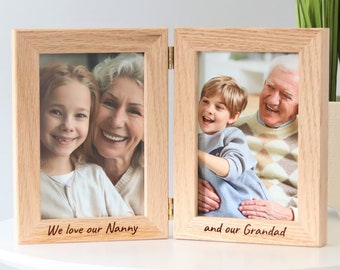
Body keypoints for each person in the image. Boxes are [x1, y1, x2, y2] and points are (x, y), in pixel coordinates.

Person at [198, 54, 299, 221]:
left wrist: (289, 214)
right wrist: (193, 187)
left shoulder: (311, 142)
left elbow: (322, 206)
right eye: (270, 87)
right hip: (222, 228)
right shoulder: (226, 129)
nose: (273, 100)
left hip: (280, 234)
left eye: (286, 96)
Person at [40, 63, 134, 219]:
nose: (68, 126)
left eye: (80, 115)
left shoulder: (95, 176)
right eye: (56, 112)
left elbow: (130, 226)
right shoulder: (26, 182)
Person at [198, 76, 269, 217]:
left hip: (247, 215)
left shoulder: (231, 135)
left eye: (219, 107)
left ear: (233, 117)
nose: (209, 109)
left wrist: (194, 153)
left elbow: (232, 169)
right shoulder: (195, 141)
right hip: (214, 220)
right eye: (205, 101)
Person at [85, 53, 144, 215]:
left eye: (134, 111)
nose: (116, 121)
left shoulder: (159, 181)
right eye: (109, 103)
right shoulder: (64, 165)